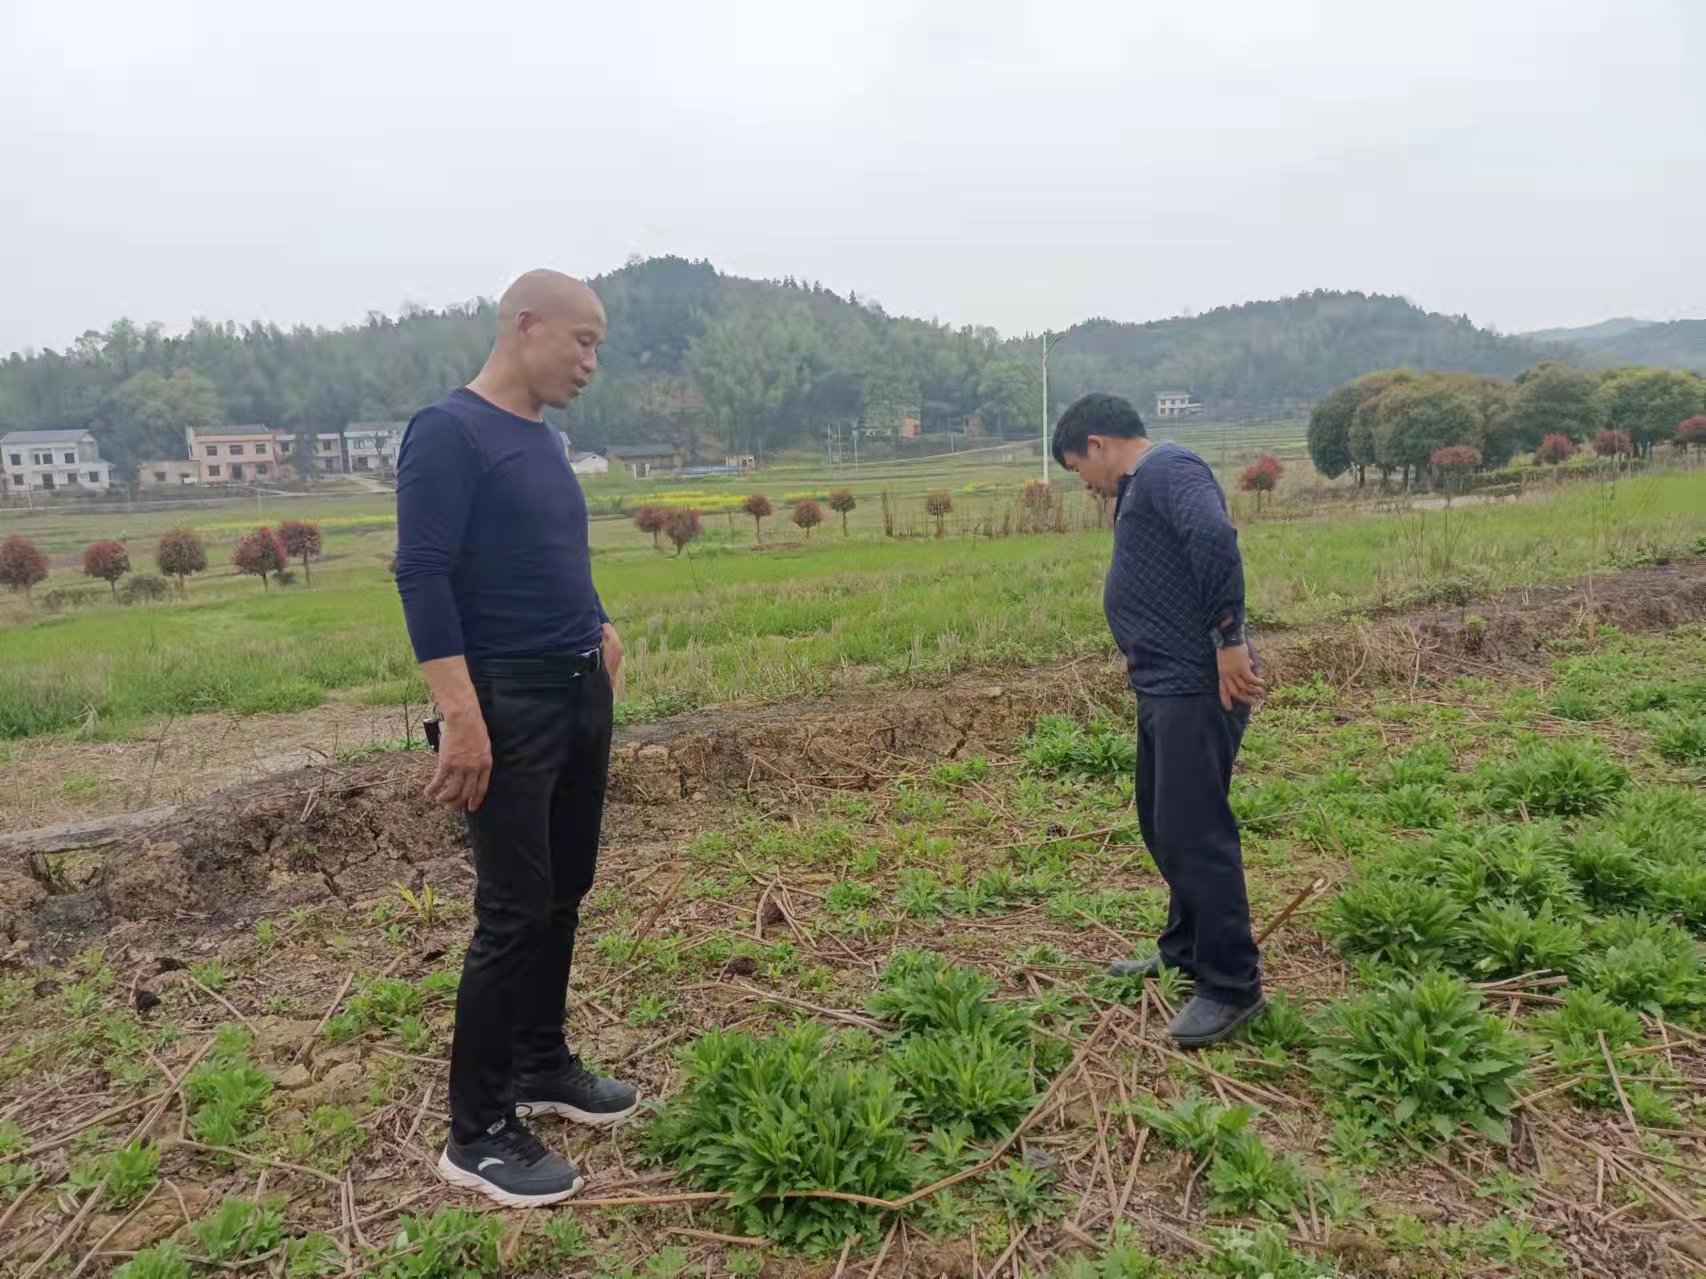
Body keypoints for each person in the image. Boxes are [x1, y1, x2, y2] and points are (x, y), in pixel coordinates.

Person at [393, 269, 637, 1207]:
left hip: (577, 685)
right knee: (512, 912)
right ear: (526, 326)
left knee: (563, 890)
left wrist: (601, 621)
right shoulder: (449, 432)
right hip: (508, 701)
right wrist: (460, 712)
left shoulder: (541, 437)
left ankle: (540, 1061)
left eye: (598, 347)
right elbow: (422, 570)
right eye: (582, 342)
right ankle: (477, 1127)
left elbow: (548, 550)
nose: (590, 362)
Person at [1052, 393, 1267, 1048]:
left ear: (1096, 445)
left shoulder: (1169, 468)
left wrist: (1228, 637)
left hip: (1197, 686)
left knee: (1193, 831)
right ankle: (1184, 948)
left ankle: (1232, 985)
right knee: (1162, 821)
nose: (1085, 486)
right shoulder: (1142, 487)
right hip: (1162, 686)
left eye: (1077, 469)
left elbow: (1213, 537)